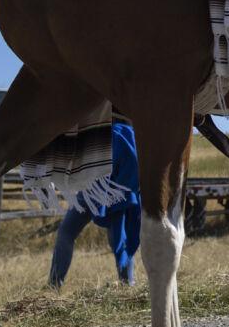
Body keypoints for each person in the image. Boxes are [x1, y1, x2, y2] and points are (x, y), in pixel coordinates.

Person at [22, 117, 141, 288]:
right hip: (104, 191)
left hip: (106, 191)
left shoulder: (115, 131)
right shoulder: (123, 131)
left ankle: (55, 284)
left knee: (72, 233)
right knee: (114, 238)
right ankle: (126, 283)